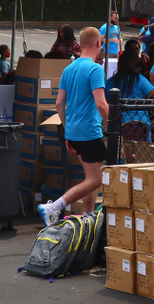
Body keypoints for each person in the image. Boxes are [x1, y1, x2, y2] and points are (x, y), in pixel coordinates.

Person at [39, 27, 108, 225]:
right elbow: (101, 103)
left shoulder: (68, 69)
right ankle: (55, 207)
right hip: (90, 130)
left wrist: (68, 131)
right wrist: (114, 122)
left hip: (74, 131)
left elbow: (59, 104)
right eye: (101, 43)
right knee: (96, 179)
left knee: (90, 177)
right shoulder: (95, 69)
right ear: (97, 43)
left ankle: (88, 213)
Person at [99, 11, 122, 75]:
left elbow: (119, 36)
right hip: (107, 51)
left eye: (117, 18)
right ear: (110, 18)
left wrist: (120, 39)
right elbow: (101, 39)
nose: (116, 20)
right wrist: (112, 40)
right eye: (115, 18)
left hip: (116, 51)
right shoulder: (104, 27)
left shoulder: (117, 27)